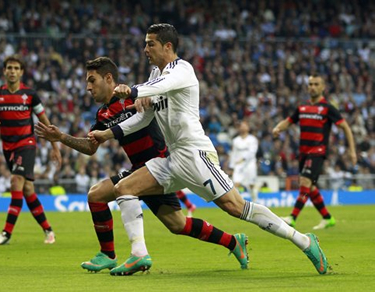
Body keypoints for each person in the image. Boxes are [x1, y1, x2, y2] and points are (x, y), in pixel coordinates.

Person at [89, 24, 329, 276]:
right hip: (173, 158)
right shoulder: (154, 77)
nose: (145, 49)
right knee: (124, 188)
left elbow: (162, 86)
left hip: (195, 154)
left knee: (237, 208)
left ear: (167, 46)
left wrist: (135, 90)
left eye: (150, 44)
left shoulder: (182, 70)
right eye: (145, 43)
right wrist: (107, 133)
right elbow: (143, 118)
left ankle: (303, 240)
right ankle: (139, 254)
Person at [35, 57, 248, 275]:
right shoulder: (102, 114)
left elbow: (162, 99)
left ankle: (129, 254)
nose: (88, 87)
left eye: (92, 80)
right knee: (175, 224)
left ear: (108, 78)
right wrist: (61, 137)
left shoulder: (137, 97)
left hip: (162, 167)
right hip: (140, 170)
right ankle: (233, 242)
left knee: (106, 196)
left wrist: (146, 98)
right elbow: (91, 148)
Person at [0, 55, 62, 245]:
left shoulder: (30, 94)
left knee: (15, 182)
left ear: (21, 72)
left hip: (26, 144)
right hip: (8, 148)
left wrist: (55, 145)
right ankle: (48, 230)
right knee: (28, 189)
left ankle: (6, 233)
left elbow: (44, 120)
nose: (12, 71)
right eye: (9, 68)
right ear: (4, 71)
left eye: (16, 68)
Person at [273, 74, 357, 230]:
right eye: (310, 84)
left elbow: (346, 127)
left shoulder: (328, 108)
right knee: (309, 187)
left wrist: (352, 151)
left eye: (316, 84)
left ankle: (292, 217)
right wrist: (278, 128)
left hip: (317, 151)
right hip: (303, 153)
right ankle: (327, 218)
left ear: (323, 87)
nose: (312, 87)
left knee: (305, 182)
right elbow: (289, 121)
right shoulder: (302, 107)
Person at [229, 121, 259, 202]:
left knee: (251, 185)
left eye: (244, 126)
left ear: (248, 128)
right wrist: (232, 166)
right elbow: (233, 153)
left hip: (250, 164)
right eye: (241, 126)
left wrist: (243, 159)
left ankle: (255, 200)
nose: (242, 127)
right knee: (236, 184)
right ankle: (238, 202)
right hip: (238, 164)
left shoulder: (252, 139)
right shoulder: (236, 140)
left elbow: (252, 152)